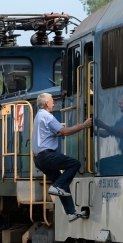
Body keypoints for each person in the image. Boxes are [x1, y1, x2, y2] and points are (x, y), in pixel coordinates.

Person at [32, 93, 92, 222]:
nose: (54, 103)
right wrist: (84, 125)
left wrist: (73, 128)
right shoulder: (48, 116)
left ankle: (71, 212)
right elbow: (64, 131)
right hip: (48, 156)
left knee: (61, 183)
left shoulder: (38, 115)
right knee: (75, 164)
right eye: (52, 101)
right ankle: (57, 187)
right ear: (47, 103)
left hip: (38, 159)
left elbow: (54, 133)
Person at [96, 94, 123, 175]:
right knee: (100, 164)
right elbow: (108, 132)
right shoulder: (122, 119)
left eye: (121, 102)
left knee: (102, 164)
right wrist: (94, 131)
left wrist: (103, 125)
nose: (119, 103)